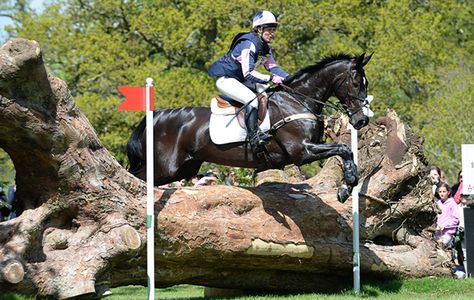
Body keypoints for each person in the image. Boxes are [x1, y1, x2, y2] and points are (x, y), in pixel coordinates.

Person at [208, 10, 289, 149]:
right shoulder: (248, 44)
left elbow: (273, 67)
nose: (272, 33)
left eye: (273, 29)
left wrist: (290, 79)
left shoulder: (265, 48)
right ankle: (253, 137)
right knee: (252, 99)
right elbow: (249, 73)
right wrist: (270, 78)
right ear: (259, 29)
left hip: (241, 80)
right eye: (269, 29)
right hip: (226, 79)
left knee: (268, 95)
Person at [434, 183, 460, 247]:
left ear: (448, 192)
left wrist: (445, 225)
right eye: (440, 192)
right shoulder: (438, 203)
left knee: (442, 248)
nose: (442, 194)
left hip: (448, 234)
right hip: (437, 232)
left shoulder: (452, 203)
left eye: (444, 191)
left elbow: (456, 219)